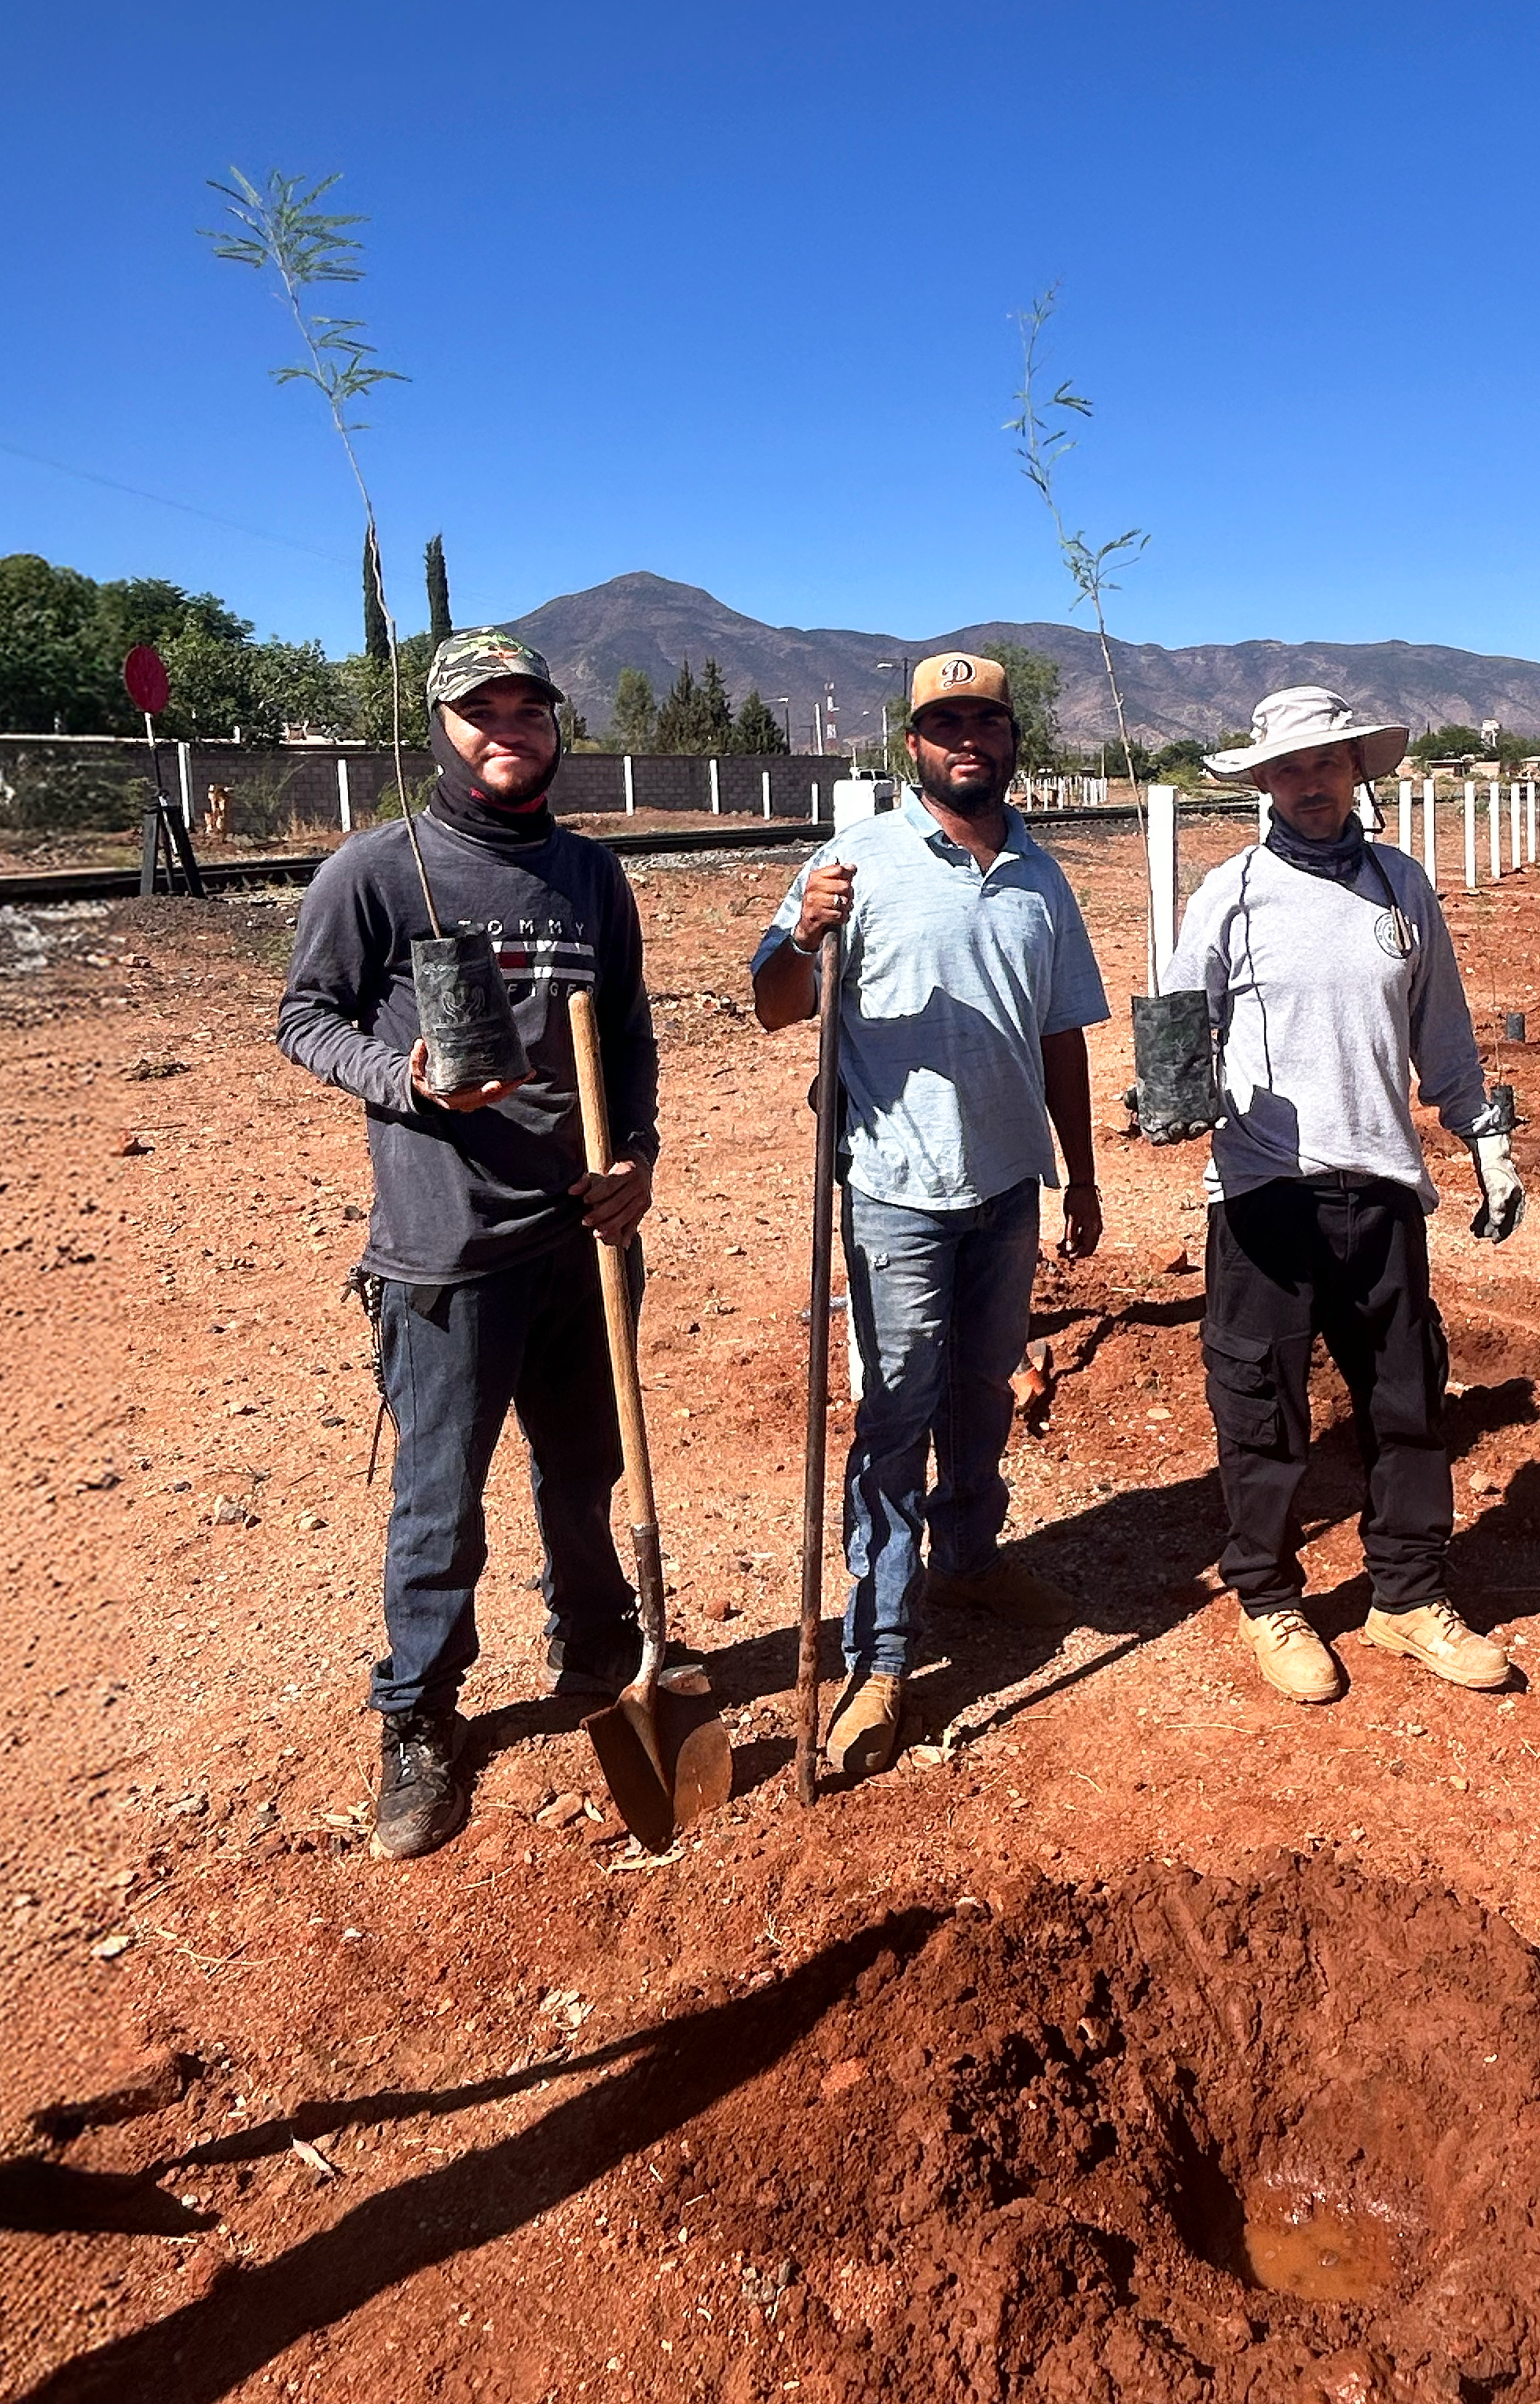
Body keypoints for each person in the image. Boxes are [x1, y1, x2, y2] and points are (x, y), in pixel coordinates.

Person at [275, 629, 660, 1863]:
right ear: (442, 728)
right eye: (479, 712)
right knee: (438, 1502)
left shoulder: (591, 876)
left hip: (582, 1231)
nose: (508, 730)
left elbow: (633, 1034)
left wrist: (635, 1161)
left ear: (555, 726)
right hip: (445, 1247)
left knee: (583, 1471)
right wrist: (405, 1079)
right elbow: (303, 1019)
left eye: (527, 710)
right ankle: (420, 1716)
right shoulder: (379, 872)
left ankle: (599, 1641)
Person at [754, 653, 1108, 1781]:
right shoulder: (850, 863)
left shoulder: (1041, 879)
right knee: (894, 1416)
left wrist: (1081, 1173)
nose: (967, 740)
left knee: (980, 1391)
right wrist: (802, 934)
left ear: (1011, 739)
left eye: (985, 722)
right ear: (910, 744)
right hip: (896, 1193)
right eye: (942, 724)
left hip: (1007, 1187)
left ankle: (970, 1553)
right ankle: (882, 1654)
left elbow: (1062, 1037)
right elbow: (769, 1007)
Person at [1165, 687, 1526, 1706]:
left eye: (1325, 764)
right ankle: (1269, 1602)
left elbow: (1443, 1035)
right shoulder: (1225, 895)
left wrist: (1485, 1140)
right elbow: (1175, 1037)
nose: (1308, 784)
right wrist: (1168, 1091)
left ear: (1355, 771)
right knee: (1261, 1410)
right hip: (1260, 1197)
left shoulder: (1399, 885)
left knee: (1406, 1403)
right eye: (1287, 769)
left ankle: (1406, 1597)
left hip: (1380, 1189)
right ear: (1263, 784)